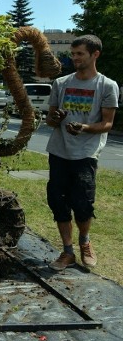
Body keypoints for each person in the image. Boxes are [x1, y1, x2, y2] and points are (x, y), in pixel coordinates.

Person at [45, 34, 119, 271]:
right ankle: (67, 252)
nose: (74, 58)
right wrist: (55, 118)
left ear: (95, 54)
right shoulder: (61, 83)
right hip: (59, 151)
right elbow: (50, 119)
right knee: (58, 201)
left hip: (86, 153)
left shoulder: (107, 86)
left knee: (84, 203)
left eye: (79, 54)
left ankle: (85, 242)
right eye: (73, 53)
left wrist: (85, 128)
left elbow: (108, 124)